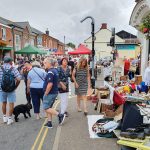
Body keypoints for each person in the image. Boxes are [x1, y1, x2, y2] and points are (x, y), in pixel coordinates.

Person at [43, 58, 66, 128]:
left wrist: (46, 93)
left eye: (45, 62)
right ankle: (49, 123)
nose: (44, 64)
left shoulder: (50, 72)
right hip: (54, 92)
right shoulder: (55, 70)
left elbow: (50, 84)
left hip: (50, 93)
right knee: (49, 107)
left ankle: (60, 115)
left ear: (49, 63)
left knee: (46, 108)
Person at [0, 56, 21, 125]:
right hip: (11, 89)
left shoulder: (0, 68)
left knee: (4, 103)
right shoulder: (13, 68)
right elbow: (18, 79)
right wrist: (15, 87)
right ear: (10, 62)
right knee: (11, 104)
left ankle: (4, 118)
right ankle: (9, 119)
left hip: (1, 89)